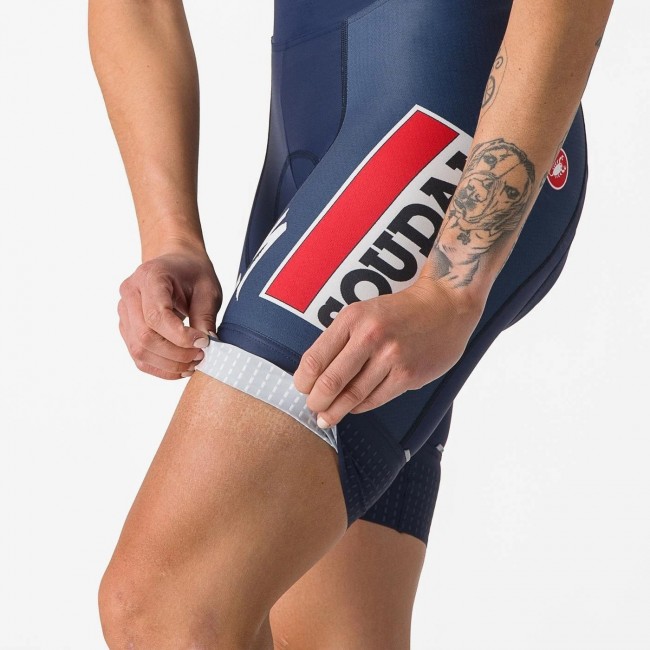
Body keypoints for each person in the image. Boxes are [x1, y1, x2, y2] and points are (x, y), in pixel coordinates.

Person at [89, 0, 613, 647]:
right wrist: (170, 235)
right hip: (315, 125)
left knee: (163, 605)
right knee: (323, 633)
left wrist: (452, 284)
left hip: (442, 108)